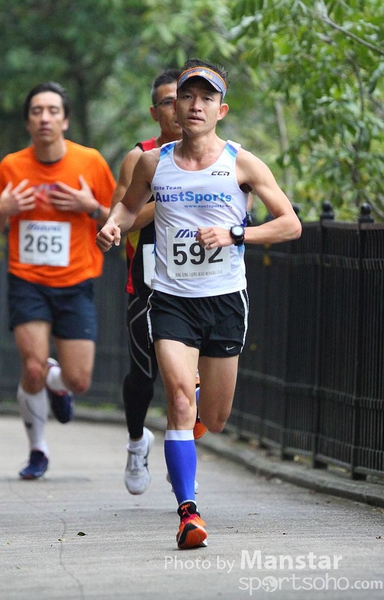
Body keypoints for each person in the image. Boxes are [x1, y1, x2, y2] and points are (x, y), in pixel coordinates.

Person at [96, 58, 302, 549]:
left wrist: (235, 234)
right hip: (171, 299)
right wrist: (112, 225)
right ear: (174, 106)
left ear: (221, 110)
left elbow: (289, 224)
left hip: (225, 300)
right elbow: (128, 205)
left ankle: (193, 427)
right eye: (186, 96)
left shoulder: (242, 163)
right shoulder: (154, 163)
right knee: (179, 401)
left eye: (206, 98)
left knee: (215, 414)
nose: (194, 105)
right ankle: (188, 513)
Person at [0, 81, 116, 480]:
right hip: (27, 278)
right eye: (37, 111)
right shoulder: (10, 166)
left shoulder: (91, 162)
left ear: (65, 120)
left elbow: (120, 219)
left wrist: (91, 206)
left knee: (79, 381)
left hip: (76, 280)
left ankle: (58, 380)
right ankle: (37, 450)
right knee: (31, 368)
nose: (45, 118)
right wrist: (4, 208)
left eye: (53, 111)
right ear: (28, 122)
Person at [110, 69, 184, 495]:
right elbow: (119, 220)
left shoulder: (217, 159)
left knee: (183, 379)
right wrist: (170, 198)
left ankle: (179, 452)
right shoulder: (140, 158)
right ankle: (137, 440)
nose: (179, 108)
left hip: (196, 282)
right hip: (147, 279)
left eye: (185, 98)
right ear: (155, 112)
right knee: (145, 373)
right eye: (168, 101)